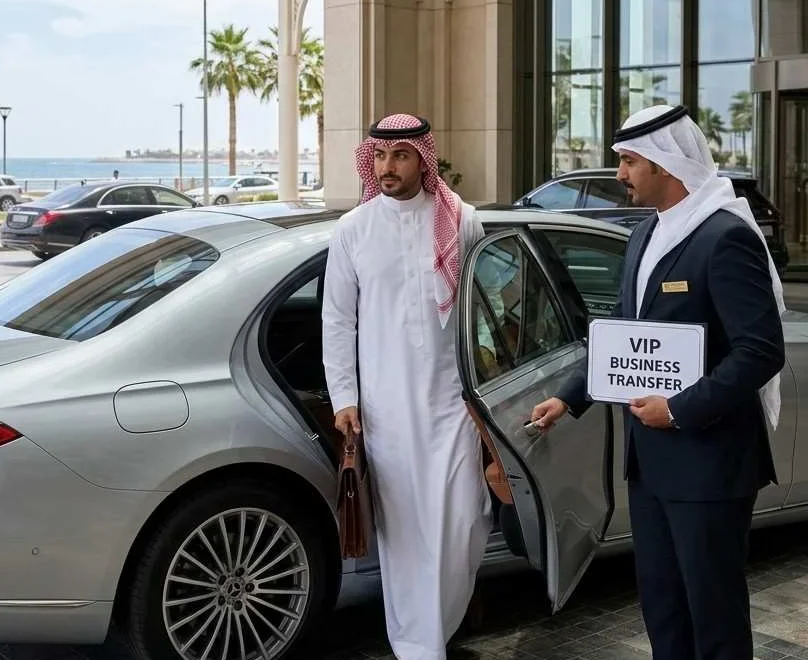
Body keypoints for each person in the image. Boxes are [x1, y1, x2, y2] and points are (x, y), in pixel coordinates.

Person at [530, 104, 785, 660]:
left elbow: (761, 351)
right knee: (663, 607)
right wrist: (568, 398)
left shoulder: (724, 238)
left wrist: (680, 409)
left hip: (709, 464)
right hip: (650, 465)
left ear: (665, 164)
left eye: (628, 162)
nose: (619, 175)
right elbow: (626, 341)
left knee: (712, 613)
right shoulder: (646, 235)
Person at [321, 113, 491, 660]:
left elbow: (489, 310)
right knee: (405, 535)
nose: (388, 166)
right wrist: (344, 398)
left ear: (424, 158)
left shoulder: (462, 221)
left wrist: (490, 392)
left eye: (401, 155)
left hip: (453, 403)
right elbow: (336, 320)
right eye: (380, 156)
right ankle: (418, 646)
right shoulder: (353, 229)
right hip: (386, 407)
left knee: (466, 520)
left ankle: (435, 628)